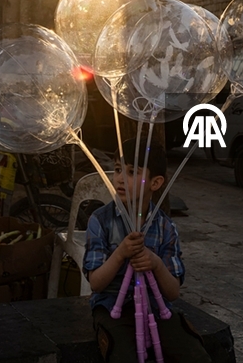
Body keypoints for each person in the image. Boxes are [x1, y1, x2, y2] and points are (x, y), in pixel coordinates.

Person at [82, 142, 212, 363]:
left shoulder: (165, 226)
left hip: (155, 305)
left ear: (156, 182)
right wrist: (120, 253)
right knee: (122, 355)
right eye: (118, 169)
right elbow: (96, 283)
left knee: (195, 354)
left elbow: (172, 293)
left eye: (133, 172)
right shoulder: (100, 220)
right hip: (112, 305)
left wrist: (156, 264)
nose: (121, 178)